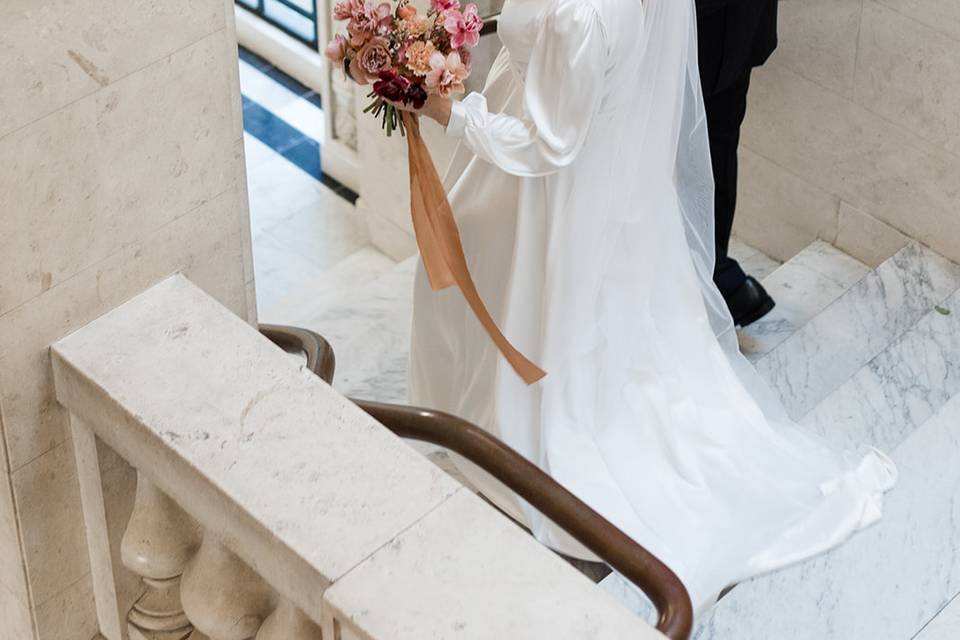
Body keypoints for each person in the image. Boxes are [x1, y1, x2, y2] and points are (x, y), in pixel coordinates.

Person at [382, 0, 896, 618]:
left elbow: (549, 146)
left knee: (505, 299)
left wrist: (448, 111)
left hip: (544, 191)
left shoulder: (583, 16)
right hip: (590, 174)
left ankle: (506, 430)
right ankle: (486, 413)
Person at [697, 0, 779, 326]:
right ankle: (714, 278)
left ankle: (715, 274)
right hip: (711, 23)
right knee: (714, 140)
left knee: (718, 134)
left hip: (718, 23)